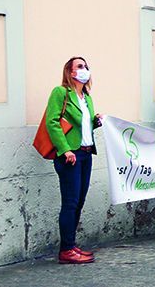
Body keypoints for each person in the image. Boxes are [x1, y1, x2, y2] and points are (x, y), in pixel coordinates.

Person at [46, 56, 102, 264]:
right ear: (70, 72)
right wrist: (65, 149)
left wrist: (97, 121)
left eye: (86, 66)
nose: (84, 69)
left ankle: (71, 244)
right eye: (79, 66)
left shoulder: (86, 96)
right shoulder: (61, 92)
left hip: (86, 153)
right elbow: (52, 122)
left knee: (79, 201)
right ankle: (66, 250)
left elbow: (83, 126)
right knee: (70, 202)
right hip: (70, 155)